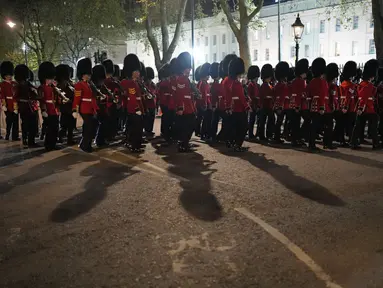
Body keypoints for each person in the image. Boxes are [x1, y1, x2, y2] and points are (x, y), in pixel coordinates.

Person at [351, 59, 381, 150]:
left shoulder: (362, 84)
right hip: (368, 108)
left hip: (362, 108)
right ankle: (376, 143)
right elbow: (364, 97)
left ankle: (354, 142)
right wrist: (361, 108)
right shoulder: (369, 85)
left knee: (358, 126)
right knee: (373, 127)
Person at [120, 54, 145, 152]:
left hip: (137, 107)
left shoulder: (135, 82)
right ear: (132, 72)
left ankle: (136, 144)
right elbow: (132, 98)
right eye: (136, 71)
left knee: (137, 127)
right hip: (133, 108)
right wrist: (137, 109)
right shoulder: (130, 83)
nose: (138, 73)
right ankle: (134, 145)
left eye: (138, 71)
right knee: (136, 128)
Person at [72, 58, 98, 153]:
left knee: (91, 126)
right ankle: (84, 144)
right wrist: (75, 110)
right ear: (83, 75)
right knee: (88, 127)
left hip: (90, 108)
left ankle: (86, 143)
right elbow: (77, 98)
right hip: (84, 108)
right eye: (87, 74)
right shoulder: (79, 85)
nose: (89, 76)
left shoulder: (88, 84)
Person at [174, 52, 196, 152]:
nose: (190, 69)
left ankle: (185, 143)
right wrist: (180, 107)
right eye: (188, 67)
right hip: (184, 107)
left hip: (189, 106)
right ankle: (183, 144)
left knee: (189, 126)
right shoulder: (181, 79)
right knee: (186, 127)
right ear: (184, 67)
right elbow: (179, 95)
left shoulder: (185, 79)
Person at [15, 64, 39, 147]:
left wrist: (34, 93)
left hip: (31, 107)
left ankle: (31, 141)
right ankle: (25, 140)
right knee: (25, 125)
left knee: (32, 125)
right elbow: (16, 97)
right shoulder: (18, 86)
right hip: (24, 107)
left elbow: (35, 93)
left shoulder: (29, 84)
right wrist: (25, 100)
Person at [229, 57, 249, 151]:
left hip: (234, 108)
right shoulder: (237, 84)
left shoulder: (233, 83)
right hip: (240, 109)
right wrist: (247, 106)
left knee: (236, 127)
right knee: (243, 127)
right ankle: (238, 145)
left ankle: (235, 144)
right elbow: (241, 97)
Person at [307, 57, 328, 151]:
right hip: (320, 106)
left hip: (312, 106)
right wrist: (322, 107)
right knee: (319, 126)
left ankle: (311, 144)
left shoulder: (312, 81)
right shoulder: (322, 82)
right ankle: (316, 145)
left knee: (313, 126)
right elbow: (322, 95)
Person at [336, 61, 358, 147]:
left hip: (343, 106)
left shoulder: (343, 84)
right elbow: (348, 97)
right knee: (350, 125)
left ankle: (342, 140)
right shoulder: (351, 85)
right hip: (350, 107)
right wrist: (346, 106)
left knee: (343, 124)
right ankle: (352, 141)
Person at [290, 58, 309, 147]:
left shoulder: (302, 81)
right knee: (296, 123)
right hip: (298, 105)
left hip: (302, 104)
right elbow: (295, 95)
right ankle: (296, 139)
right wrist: (296, 106)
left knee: (301, 122)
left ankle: (298, 138)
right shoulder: (297, 81)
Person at [221, 54, 238, 147]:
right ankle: (229, 141)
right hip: (229, 106)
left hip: (230, 105)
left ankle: (230, 140)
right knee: (230, 124)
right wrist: (229, 106)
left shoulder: (229, 79)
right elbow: (228, 95)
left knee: (230, 124)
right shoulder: (228, 80)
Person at [57, 64, 76, 145]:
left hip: (70, 108)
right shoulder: (60, 86)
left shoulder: (70, 84)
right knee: (65, 127)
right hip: (65, 108)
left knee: (69, 126)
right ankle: (59, 137)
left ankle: (68, 140)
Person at [0, 61, 19, 141]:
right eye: (8, 75)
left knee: (15, 122)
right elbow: (2, 95)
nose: (10, 77)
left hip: (15, 105)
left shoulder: (15, 83)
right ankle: (7, 135)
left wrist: (17, 106)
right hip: (7, 105)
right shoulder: (2, 84)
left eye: (10, 75)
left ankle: (15, 136)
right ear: (4, 76)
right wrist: (4, 105)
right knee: (9, 122)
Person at [91, 64, 109, 147]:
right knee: (93, 126)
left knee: (104, 123)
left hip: (102, 108)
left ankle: (100, 140)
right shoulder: (91, 85)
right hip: (94, 108)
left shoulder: (102, 85)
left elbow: (106, 94)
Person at [322, 63, 338, 149]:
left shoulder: (324, 82)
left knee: (326, 126)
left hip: (324, 106)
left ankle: (326, 143)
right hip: (328, 107)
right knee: (329, 126)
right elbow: (333, 97)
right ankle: (328, 143)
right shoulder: (331, 84)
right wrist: (333, 106)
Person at [273, 61, 290, 143]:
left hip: (280, 105)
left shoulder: (278, 84)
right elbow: (282, 97)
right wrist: (280, 106)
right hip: (282, 106)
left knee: (279, 121)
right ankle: (277, 137)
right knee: (280, 122)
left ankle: (278, 136)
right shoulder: (282, 85)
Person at [258, 64, 275, 141]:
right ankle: (263, 135)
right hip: (265, 106)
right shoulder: (264, 85)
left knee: (269, 121)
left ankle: (268, 135)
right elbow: (264, 96)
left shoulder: (269, 85)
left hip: (269, 106)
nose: (270, 78)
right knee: (263, 121)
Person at [210, 62, 225, 142]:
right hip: (217, 105)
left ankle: (215, 136)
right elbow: (214, 96)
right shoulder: (215, 84)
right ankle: (214, 137)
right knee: (215, 121)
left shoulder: (217, 83)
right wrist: (213, 105)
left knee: (215, 121)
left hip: (219, 105)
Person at [199, 63, 212, 140]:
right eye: (208, 75)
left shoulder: (205, 83)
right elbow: (203, 95)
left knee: (207, 120)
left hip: (207, 103)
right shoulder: (203, 83)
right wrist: (205, 104)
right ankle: (204, 134)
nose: (209, 76)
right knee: (206, 120)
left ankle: (205, 133)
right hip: (205, 104)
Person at [247, 65, 260, 140]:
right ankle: (250, 134)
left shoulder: (255, 84)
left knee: (255, 120)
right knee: (251, 120)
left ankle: (254, 133)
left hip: (256, 104)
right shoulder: (250, 84)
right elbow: (250, 96)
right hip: (252, 105)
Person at [144, 66, 157, 137]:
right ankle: (147, 131)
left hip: (153, 104)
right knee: (147, 119)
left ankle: (149, 130)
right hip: (147, 104)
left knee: (152, 118)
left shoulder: (153, 84)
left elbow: (155, 92)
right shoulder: (144, 85)